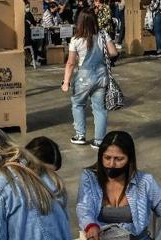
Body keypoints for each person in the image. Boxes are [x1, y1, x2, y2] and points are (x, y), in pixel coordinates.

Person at [62, 10, 118, 148]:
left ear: (80, 22)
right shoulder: (103, 35)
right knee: (99, 109)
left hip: (83, 77)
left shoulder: (76, 39)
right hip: (101, 75)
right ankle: (99, 141)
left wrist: (66, 82)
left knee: (78, 104)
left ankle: (80, 135)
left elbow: (70, 63)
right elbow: (113, 52)